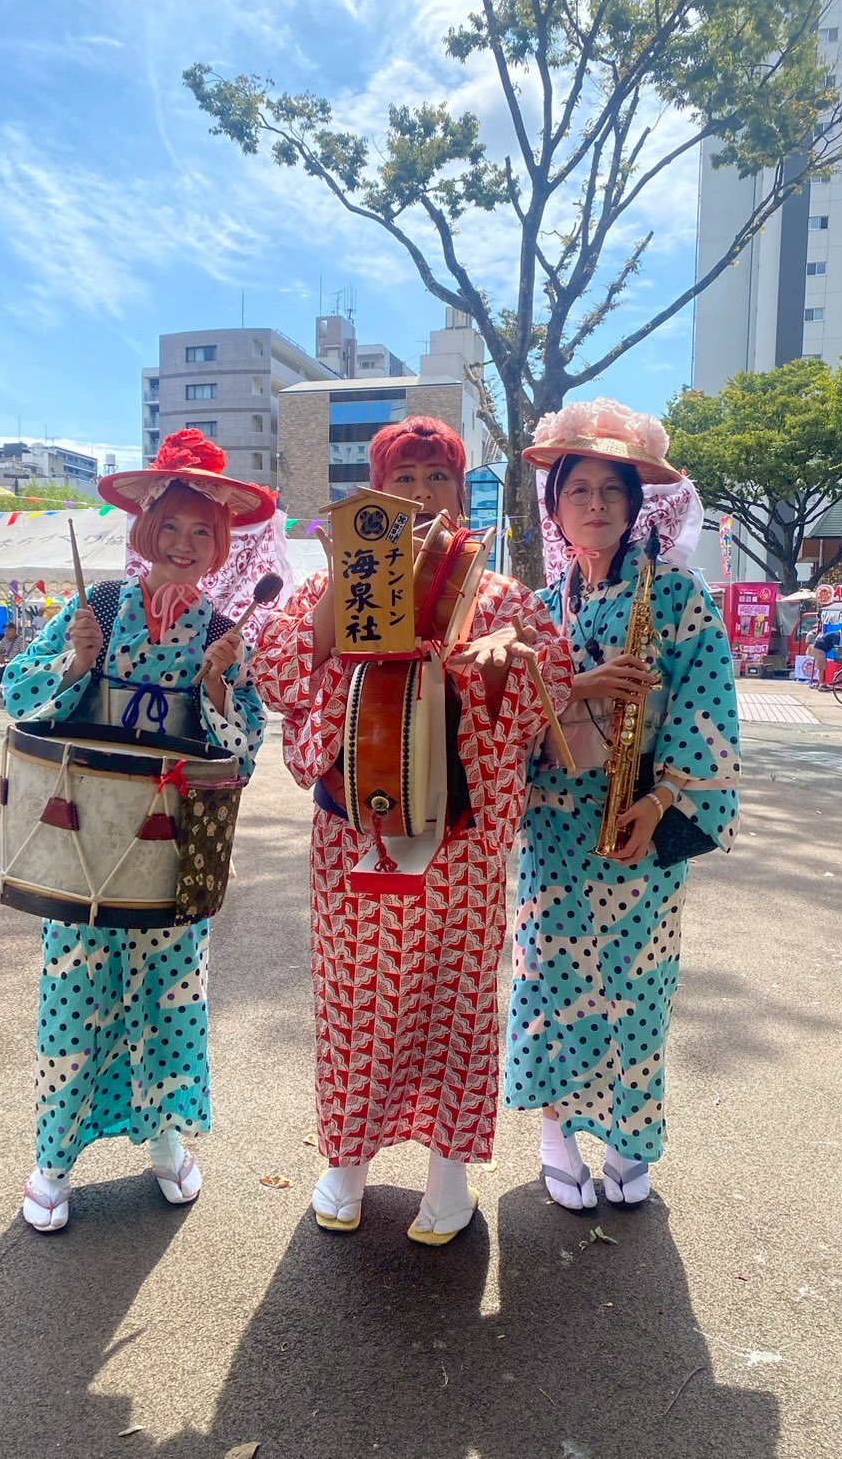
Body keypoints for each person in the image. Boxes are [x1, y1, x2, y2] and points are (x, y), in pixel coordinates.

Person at [254, 416, 573, 1245]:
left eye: (439, 478)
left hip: (460, 838)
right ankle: (347, 1161)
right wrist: (343, 587)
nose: (424, 494)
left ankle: (449, 1173)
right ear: (377, 495)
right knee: (354, 1000)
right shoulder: (332, 580)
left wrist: (504, 665)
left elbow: (550, 690)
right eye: (405, 479)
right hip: (354, 828)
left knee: (457, 1003)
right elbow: (277, 676)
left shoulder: (500, 594)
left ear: (461, 494)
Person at [2, 430, 273, 1232]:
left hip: (174, 853)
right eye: (171, 527)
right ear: (145, 530)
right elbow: (18, 694)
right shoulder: (96, 609)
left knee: (170, 996)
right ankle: (53, 1158)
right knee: (75, 993)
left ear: (221, 544)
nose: (184, 545)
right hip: (84, 844)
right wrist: (75, 664)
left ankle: (165, 1139)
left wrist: (218, 686)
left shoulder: (224, 631)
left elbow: (246, 749)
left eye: (202, 532)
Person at [505, 399, 740, 1211]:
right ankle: (557, 1131)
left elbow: (709, 704)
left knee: (639, 986)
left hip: (638, 822)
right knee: (551, 978)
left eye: (612, 488)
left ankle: (631, 1137)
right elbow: (509, 710)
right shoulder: (545, 606)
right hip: (554, 831)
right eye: (578, 489)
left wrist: (666, 799)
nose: (595, 502)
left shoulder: (676, 593)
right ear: (556, 505)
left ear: (637, 503)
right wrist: (575, 684)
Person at [810, 624, 842, 690]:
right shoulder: (836, 636)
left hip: (821, 650)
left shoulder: (836, 634)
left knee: (823, 667)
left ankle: (820, 683)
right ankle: (821, 685)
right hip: (819, 650)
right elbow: (837, 648)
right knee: (822, 668)